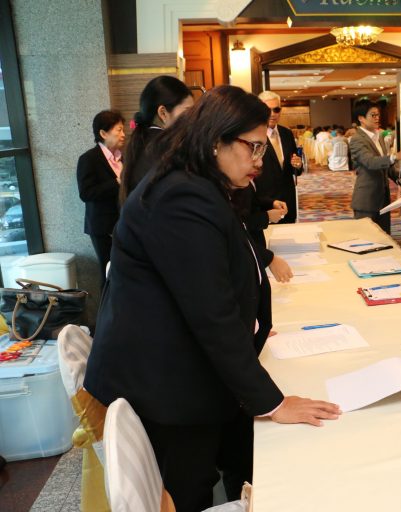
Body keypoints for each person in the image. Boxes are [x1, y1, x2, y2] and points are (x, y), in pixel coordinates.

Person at [83, 86, 340, 512]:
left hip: (181, 365)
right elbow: (210, 313)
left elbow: (223, 269)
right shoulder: (181, 196)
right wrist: (273, 403)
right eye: (253, 146)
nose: (259, 159)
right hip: (163, 381)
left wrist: (251, 324)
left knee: (242, 458)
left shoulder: (201, 183)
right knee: (189, 488)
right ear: (217, 140)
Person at [119, 76, 193, 203]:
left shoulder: (143, 142)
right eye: (188, 112)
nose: (193, 119)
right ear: (163, 113)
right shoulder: (168, 150)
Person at [76, 110, 126, 285]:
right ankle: (106, 303)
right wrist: (116, 182)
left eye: (123, 130)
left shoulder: (122, 157)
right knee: (109, 271)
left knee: (124, 270)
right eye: (118, 130)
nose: (123, 134)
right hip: (103, 227)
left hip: (123, 223)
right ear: (103, 133)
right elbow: (86, 193)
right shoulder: (88, 159)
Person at [348, 99, 401, 233]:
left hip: (383, 198)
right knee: (367, 237)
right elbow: (370, 162)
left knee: (385, 237)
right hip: (367, 199)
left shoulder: (379, 137)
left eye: (378, 115)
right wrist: (394, 157)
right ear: (361, 118)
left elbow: (385, 166)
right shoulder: (357, 139)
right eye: (373, 115)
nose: (377, 118)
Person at [252, 91, 303, 223]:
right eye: (268, 109)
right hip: (265, 201)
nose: (272, 113)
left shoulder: (287, 133)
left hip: (287, 200)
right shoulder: (252, 134)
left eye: (276, 109)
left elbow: (294, 166)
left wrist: (298, 165)